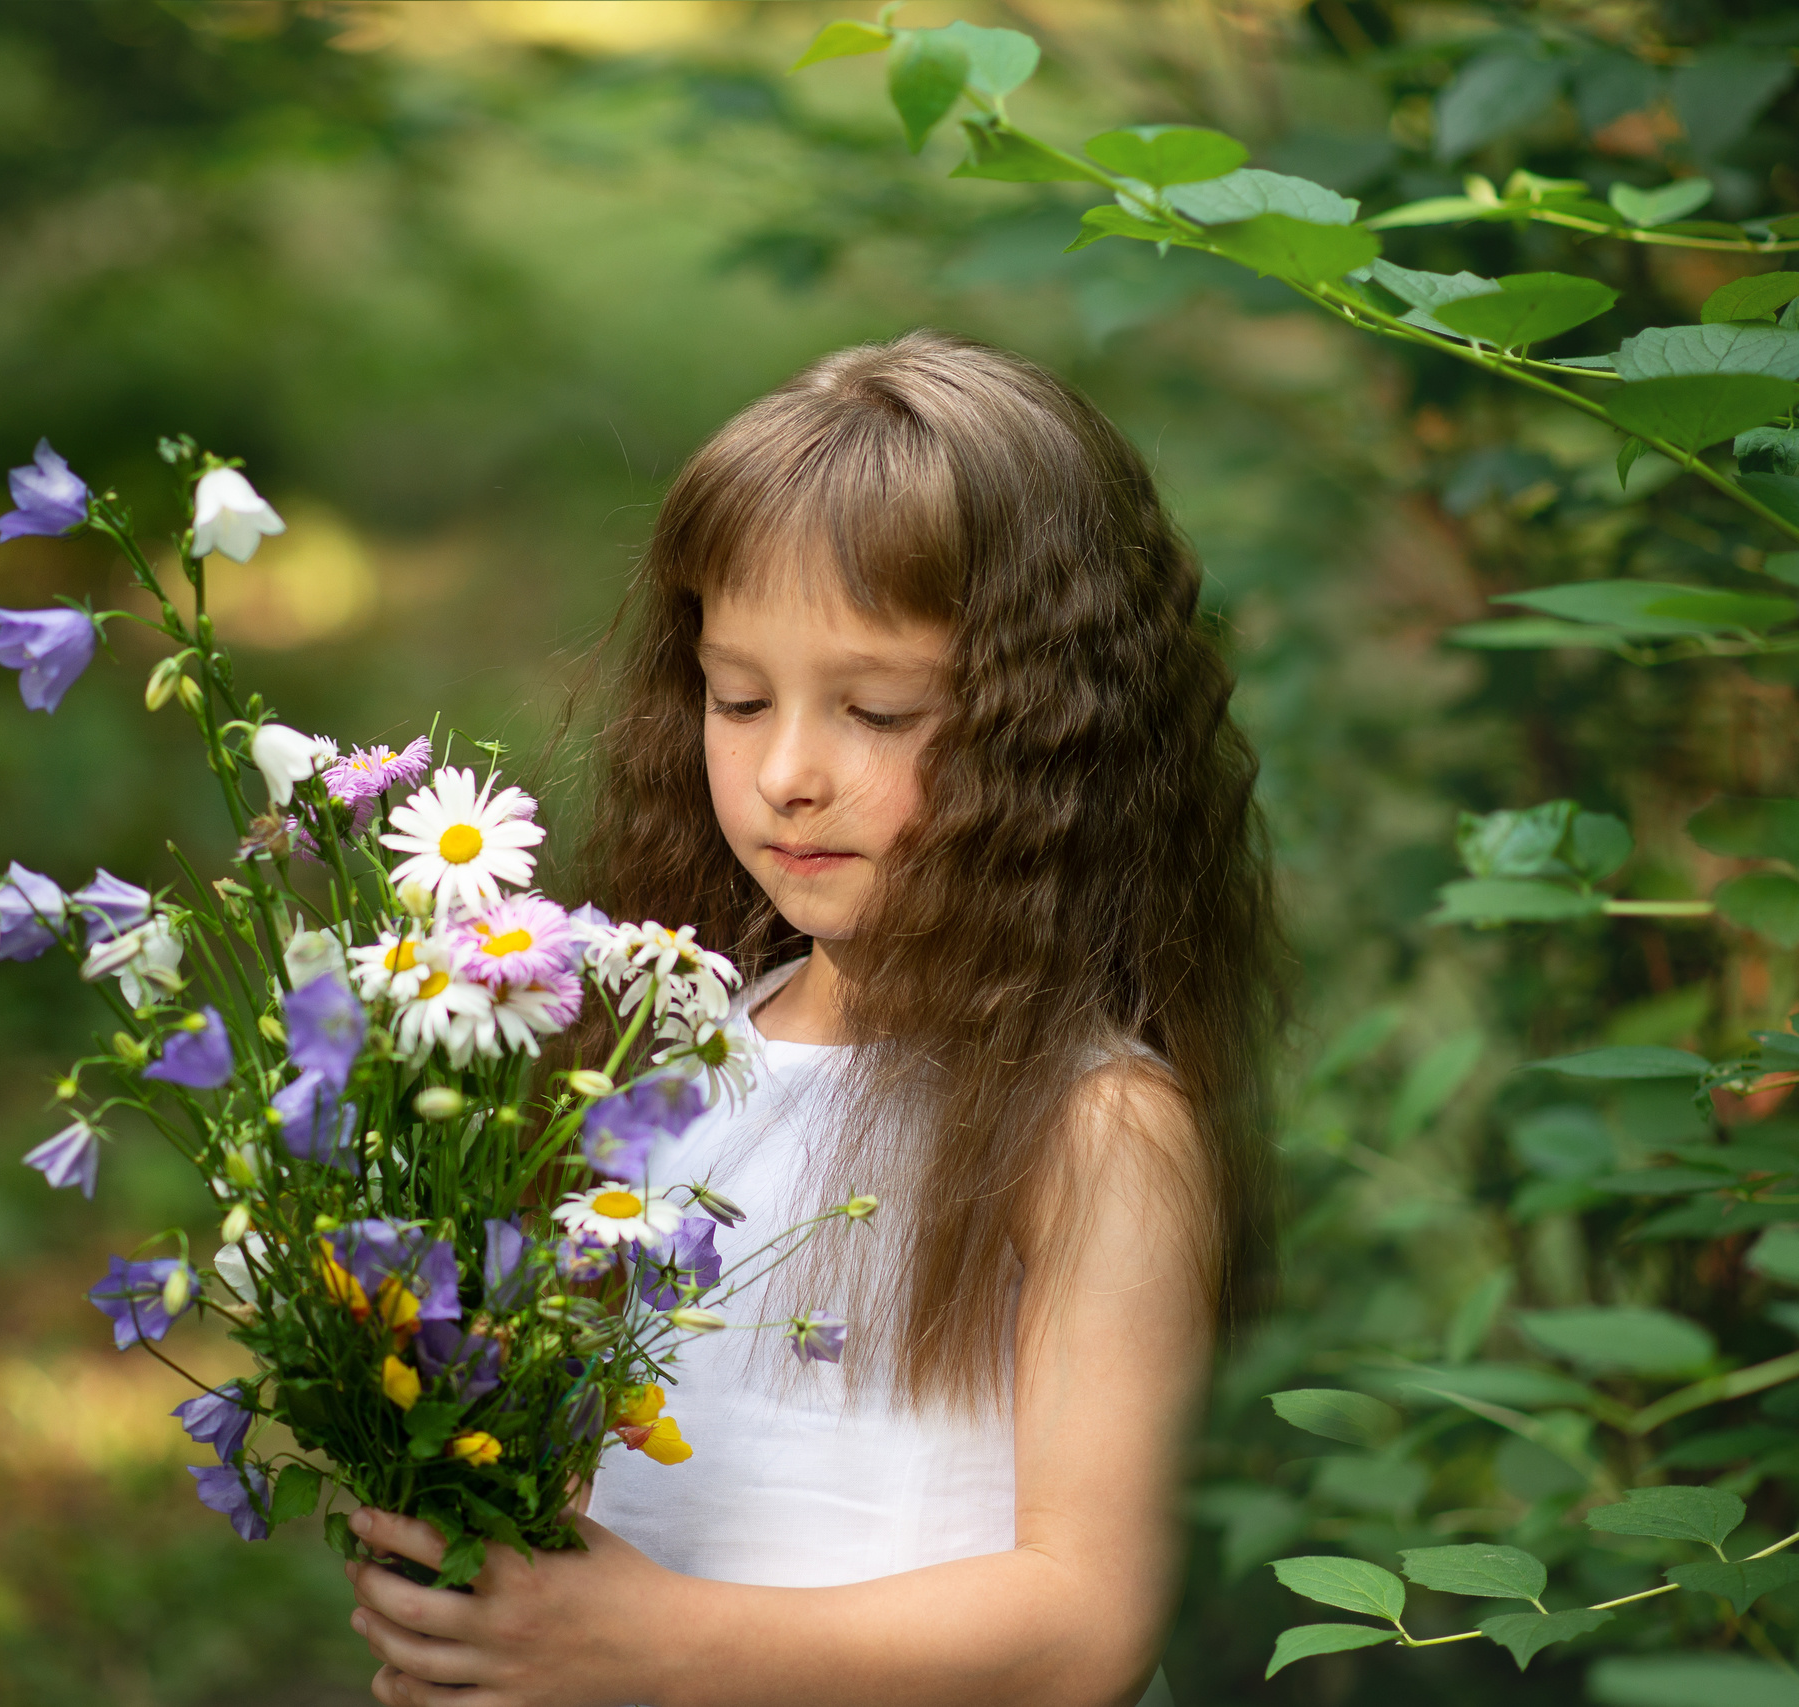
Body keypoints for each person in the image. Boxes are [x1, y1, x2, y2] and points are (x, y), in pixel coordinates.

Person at [337, 330, 1279, 1707]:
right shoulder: (683, 1043)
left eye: (879, 710)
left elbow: (1081, 1626)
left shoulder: (1092, 1123)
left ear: (1055, 735)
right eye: (738, 697)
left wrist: (645, 1650)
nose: (786, 772)